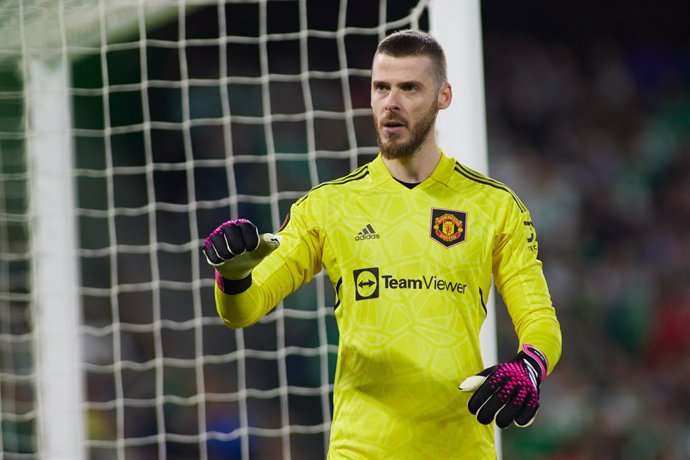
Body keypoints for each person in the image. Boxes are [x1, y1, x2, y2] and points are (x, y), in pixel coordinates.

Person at [202, 29, 562, 459]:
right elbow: (243, 310)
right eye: (381, 88)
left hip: (460, 447)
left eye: (409, 88)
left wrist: (529, 366)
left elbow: (540, 319)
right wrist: (233, 272)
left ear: (443, 96)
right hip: (362, 450)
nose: (391, 102)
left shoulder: (493, 206)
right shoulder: (329, 206)